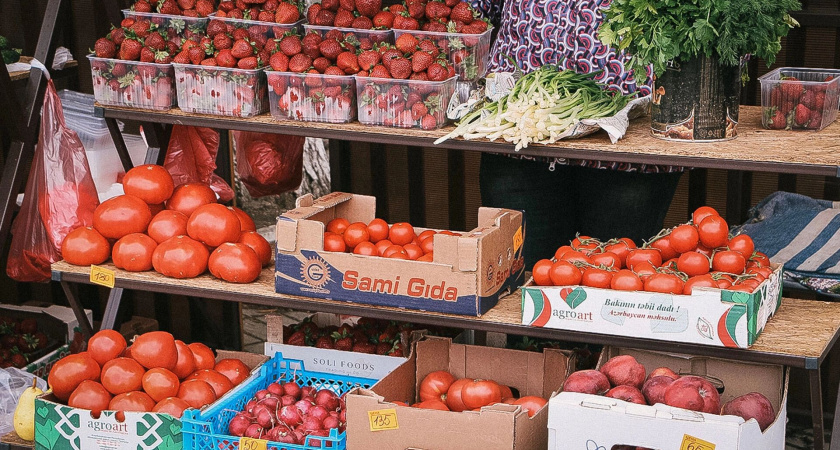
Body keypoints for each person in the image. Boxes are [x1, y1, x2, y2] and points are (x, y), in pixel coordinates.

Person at [471, 0, 684, 267]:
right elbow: (471, 10)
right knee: (517, 279)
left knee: (614, 286)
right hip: (520, 128)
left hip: (630, 141)